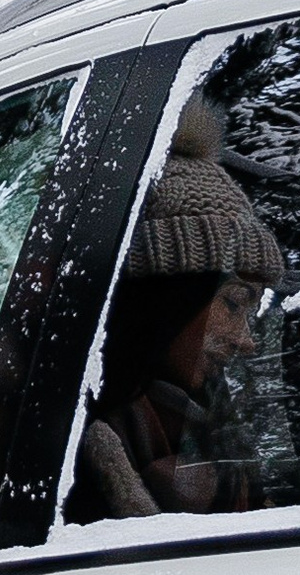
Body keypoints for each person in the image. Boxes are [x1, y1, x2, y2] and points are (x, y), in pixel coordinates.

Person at [68, 98, 286, 520]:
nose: (246, 341)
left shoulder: (222, 437)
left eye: (251, 311)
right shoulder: (67, 453)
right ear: (166, 301)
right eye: (233, 303)